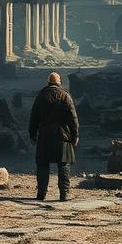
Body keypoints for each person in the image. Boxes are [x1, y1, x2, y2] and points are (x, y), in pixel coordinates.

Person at [28, 71, 79, 201]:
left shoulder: (41, 96)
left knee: (43, 165)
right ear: (59, 83)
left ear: (48, 82)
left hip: (45, 135)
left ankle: (41, 194)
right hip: (63, 136)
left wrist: (33, 134)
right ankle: (64, 194)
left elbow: (34, 117)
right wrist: (75, 135)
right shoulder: (65, 96)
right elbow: (73, 118)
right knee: (64, 165)